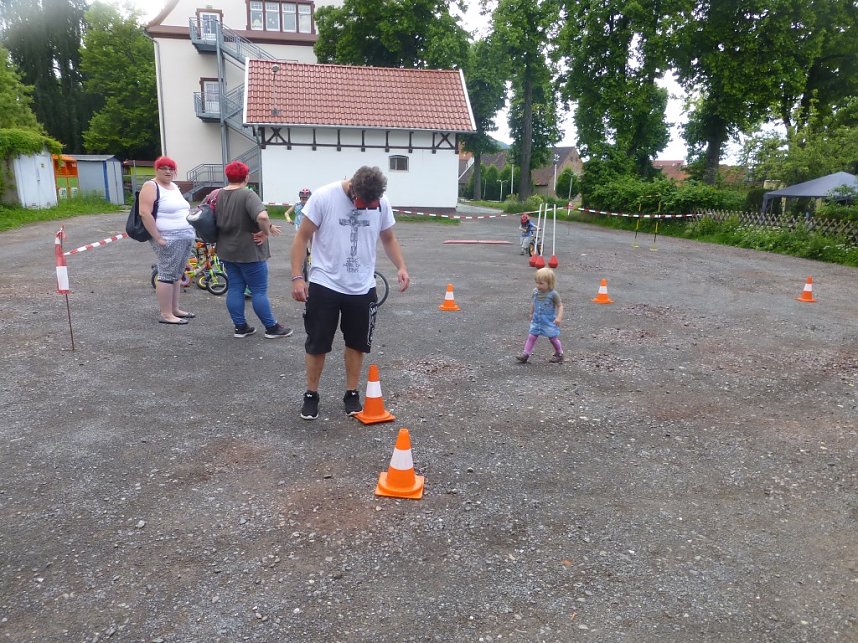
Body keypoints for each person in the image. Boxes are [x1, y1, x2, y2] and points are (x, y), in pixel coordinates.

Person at [290, 166, 409, 420]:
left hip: (362, 286)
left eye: (371, 206)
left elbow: (388, 237)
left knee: (357, 343)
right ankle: (311, 394)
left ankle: (351, 393)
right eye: (363, 204)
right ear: (353, 190)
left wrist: (401, 266)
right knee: (317, 342)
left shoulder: (381, 202)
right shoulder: (323, 197)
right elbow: (301, 237)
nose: (366, 209)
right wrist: (298, 277)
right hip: (325, 283)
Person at [215, 160, 293, 339]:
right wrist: (265, 232)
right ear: (246, 177)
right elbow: (262, 217)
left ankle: (240, 327)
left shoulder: (219, 194)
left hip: (227, 250)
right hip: (249, 251)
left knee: (235, 288)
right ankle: (271, 327)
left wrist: (268, 227)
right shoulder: (247, 194)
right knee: (258, 291)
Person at [139, 156, 197, 325]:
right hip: (168, 238)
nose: (168, 171)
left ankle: (174, 309)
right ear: (156, 170)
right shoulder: (151, 186)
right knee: (166, 275)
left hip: (185, 236)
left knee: (177, 274)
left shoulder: (173, 186)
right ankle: (166, 314)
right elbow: (144, 213)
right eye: (164, 168)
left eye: (171, 169)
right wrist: (158, 237)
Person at [516, 267, 564, 363]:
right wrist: (531, 313)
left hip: (548, 321)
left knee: (553, 338)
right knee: (532, 336)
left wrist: (559, 318)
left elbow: (560, 306)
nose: (538, 285)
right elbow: (534, 303)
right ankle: (525, 354)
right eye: (537, 282)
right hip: (537, 320)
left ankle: (559, 353)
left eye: (541, 283)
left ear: (550, 283)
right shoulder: (535, 292)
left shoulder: (553, 294)